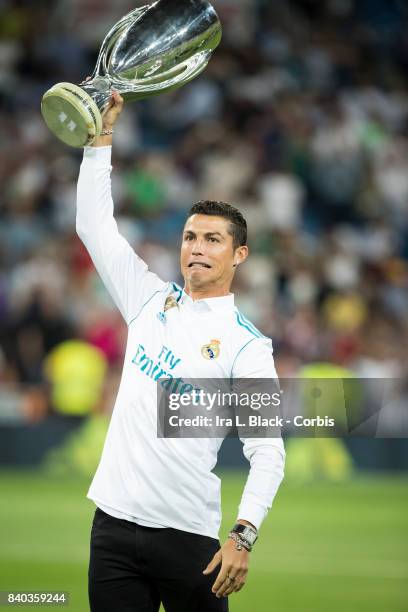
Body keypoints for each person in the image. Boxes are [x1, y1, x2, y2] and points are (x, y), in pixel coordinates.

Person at [76, 91, 285, 612]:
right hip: (113, 530)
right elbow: (94, 227)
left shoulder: (249, 345)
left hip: (189, 540)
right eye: (190, 236)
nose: (197, 247)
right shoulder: (147, 299)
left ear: (239, 254)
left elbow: (268, 452)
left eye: (213, 239)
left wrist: (243, 535)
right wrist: (99, 140)